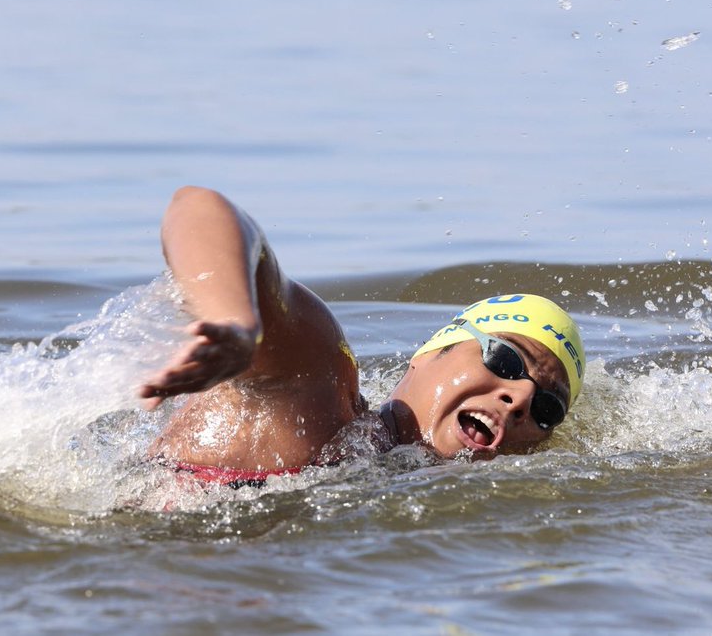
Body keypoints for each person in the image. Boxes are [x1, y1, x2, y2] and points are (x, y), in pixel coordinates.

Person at [139, 186, 585, 487]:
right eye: (505, 360)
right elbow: (198, 207)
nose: (521, 397)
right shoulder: (315, 392)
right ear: (429, 353)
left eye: (548, 408)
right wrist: (236, 320)